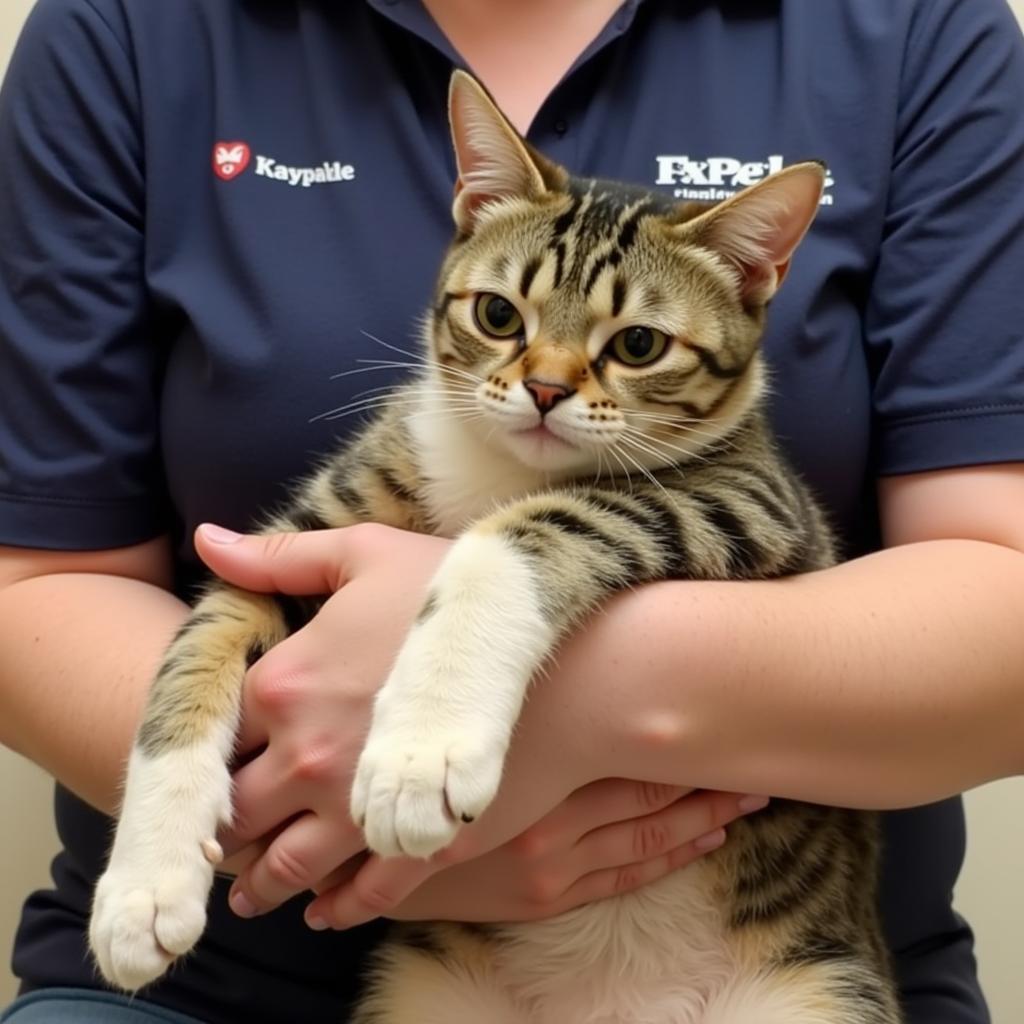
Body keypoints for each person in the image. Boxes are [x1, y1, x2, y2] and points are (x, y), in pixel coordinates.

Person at [2, 0, 1023, 1021]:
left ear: (757, 282)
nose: (543, 379)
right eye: (500, 317)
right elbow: (158, 599)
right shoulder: (127, 30)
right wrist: (190, 814)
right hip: (374, 970)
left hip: (755, 963)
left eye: (631, 346)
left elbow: (957, 583)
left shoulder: (916, 33)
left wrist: (555, 688)